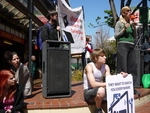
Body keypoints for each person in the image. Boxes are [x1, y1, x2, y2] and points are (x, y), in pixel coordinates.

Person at [83, 49, 128, 113]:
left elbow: (109, 79)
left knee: (109, 90)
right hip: (88, 91)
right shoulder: (89, 66)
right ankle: (98, 110)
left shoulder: (106, 67)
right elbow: (93, 84)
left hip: (100, 90)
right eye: (102, 56)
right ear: (96, 58)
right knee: (101, 90)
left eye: (105, 56)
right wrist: (108, 84)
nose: (105, 57)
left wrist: (120, 76)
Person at [114, 6, 137, 86]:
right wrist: (123, 29)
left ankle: (132, 86)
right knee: (123, 66)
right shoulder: (119, 23)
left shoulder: (131, 23)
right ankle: (122, 86)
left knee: (132, 66)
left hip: (131, 45)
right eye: (128, 11)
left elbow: (134, 36)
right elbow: (116, 36)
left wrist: (134, 27)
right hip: (123, 45)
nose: (130, 12)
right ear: (124, 13)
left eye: (130, 11)